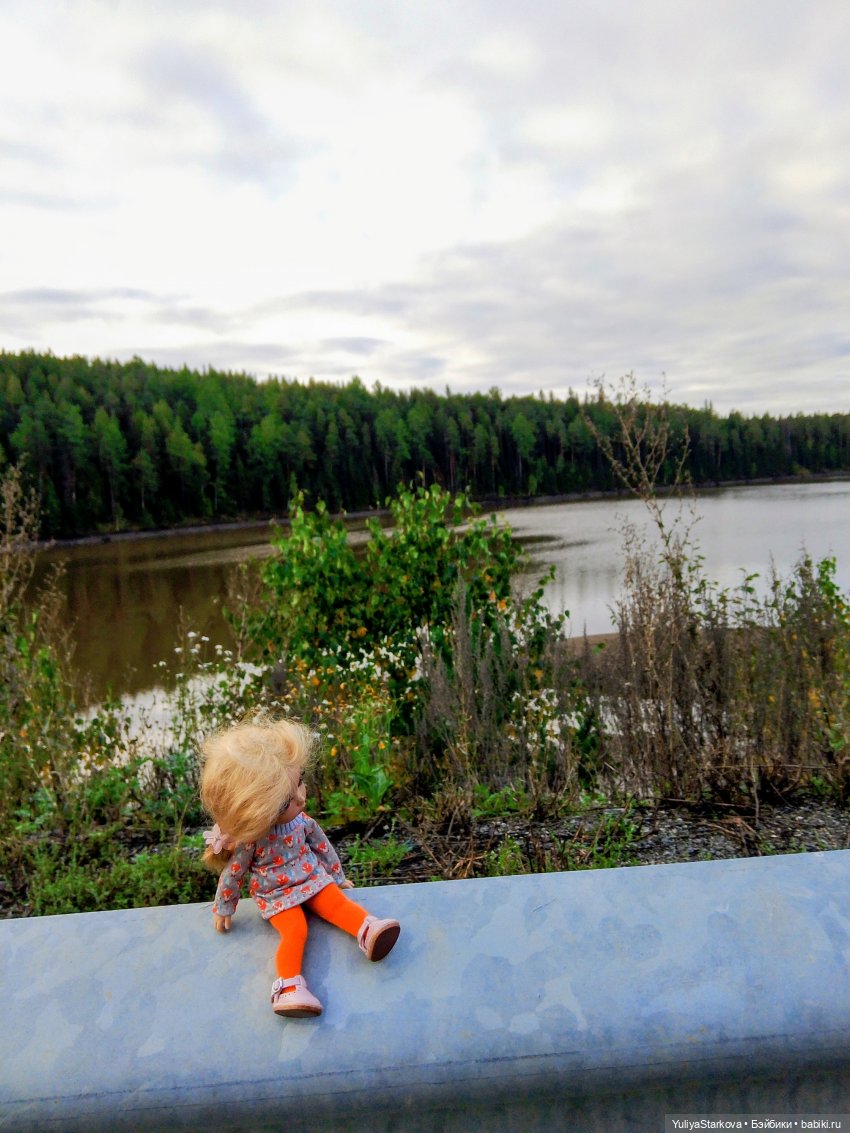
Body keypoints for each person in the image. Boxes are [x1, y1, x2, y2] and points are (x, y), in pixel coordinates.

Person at [200, 717, 400, 1018]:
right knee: (296, 930)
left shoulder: (302, 822)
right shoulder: (253, 841)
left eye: (300, 781)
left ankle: (368, 930)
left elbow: (322, 847)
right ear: (257, 812)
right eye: (285, 803)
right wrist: (224, 906)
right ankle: (289, 987)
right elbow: (234, 873)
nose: (301, 797)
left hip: (311, 877)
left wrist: (336, 876)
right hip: (276, 893)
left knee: (337, 902)